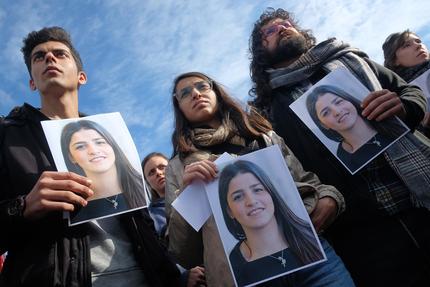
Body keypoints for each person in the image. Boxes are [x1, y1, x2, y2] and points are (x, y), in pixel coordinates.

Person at [248, 7, 430, 286]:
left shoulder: (348, 59)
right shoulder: (266, 110)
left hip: (420, 195)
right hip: (363, 234)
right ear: (261, 51)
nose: (282, 29)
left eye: (285, 23)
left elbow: (409, 90)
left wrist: (405, 106)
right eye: (269, 32)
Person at [0, 26, 180, 286]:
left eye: (60, 54)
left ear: (81, 76)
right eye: (38, 57)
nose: (49, 58)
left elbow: (143, 223)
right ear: (32, 82)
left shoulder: (110, 135)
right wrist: (23, 207)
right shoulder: (8, 136)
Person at [165, 71, 355, 286]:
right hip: (245, 277)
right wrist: (189, 196)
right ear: (179, 106)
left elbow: (307, 182)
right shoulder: (178, 167)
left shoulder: (262, 135)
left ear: (216, 91)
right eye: (185, 93)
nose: (196, 94)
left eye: (202, 86)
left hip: (310, 257)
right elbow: (183, 252)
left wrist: (329, 198)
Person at [219, 160, 324, 286]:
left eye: (257, 190)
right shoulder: (234, 266)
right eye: (238, 197)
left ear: (271, 193)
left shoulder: (309, 235)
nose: (251, 201)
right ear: (230, 211)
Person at [60, 120, 147, 223]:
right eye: (80, 146)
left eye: (100, 142)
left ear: (112, 146)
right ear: (71, 157)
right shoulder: (74, 209)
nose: (93, 151)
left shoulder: (145, 187)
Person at [306, 85, 406, 172]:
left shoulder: (386, 116)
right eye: (326, 112)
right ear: (323, 125)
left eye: (338, 102)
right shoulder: (343, 157)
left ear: (349, 100)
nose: (337, 112)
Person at [142, 152, 206, 287]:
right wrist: (183, 276)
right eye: (151, 172)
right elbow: (159, 256)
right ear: (147, 182)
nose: (158, 173)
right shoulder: (149, 217)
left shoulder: (199, 191)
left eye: (162, 167)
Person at [383, 30, 430, 137]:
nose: (418, 45)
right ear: (394, 60)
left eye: (418, 41)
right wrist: (425, 127)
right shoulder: (396, 95)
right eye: (406, 45)